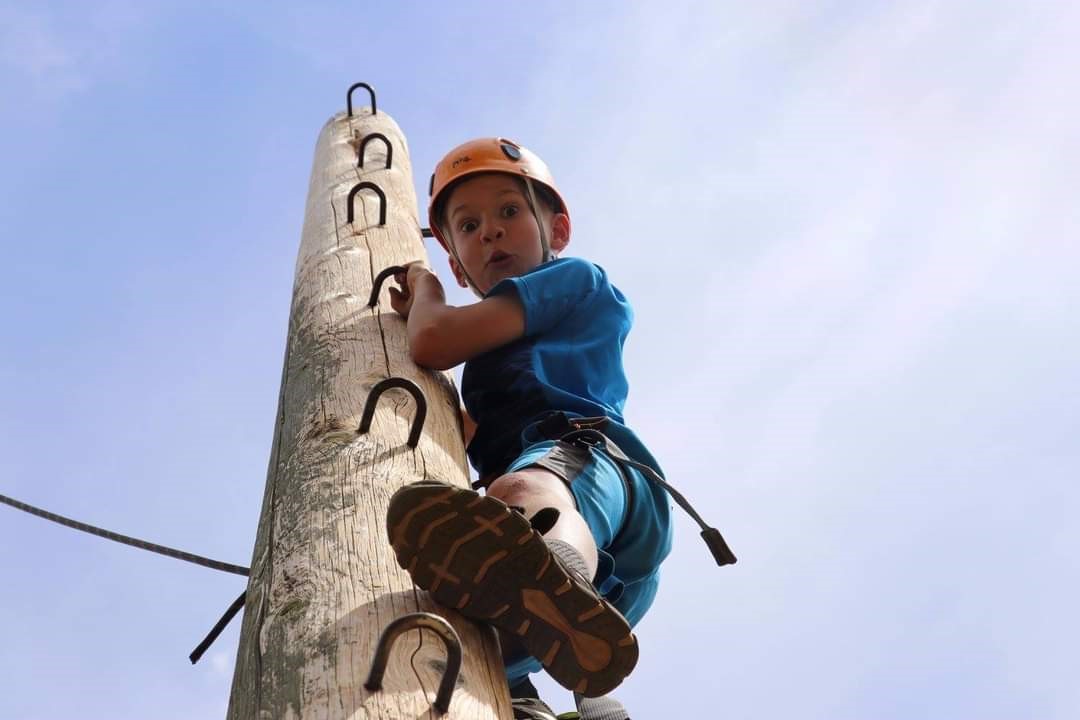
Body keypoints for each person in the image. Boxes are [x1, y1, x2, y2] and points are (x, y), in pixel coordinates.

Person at [385, 138, 729, 717]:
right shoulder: (493, 370)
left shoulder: (574, 280)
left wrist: (426, 290)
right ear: (458, 257)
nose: (490, 231)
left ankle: (552, 572)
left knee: (515, 497)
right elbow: (459, 435)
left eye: (509, 212)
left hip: (591, 469)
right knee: (462, 641)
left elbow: (431, 339)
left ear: (558, 229)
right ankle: (536, 702)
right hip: (605, 559)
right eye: (467, 226)